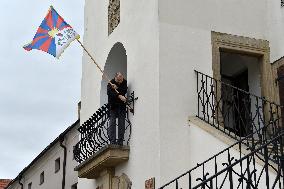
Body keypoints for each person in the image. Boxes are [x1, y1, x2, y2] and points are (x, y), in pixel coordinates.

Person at [107, 72, 127, 145]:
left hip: (121, 106)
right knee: (112, 123)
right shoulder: (111, 83)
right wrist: (118, 95)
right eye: (118, 80)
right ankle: (112, 141)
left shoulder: (124, 82)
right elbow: (110, 93)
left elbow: (124, 90)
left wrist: (117, 88)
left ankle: (120, 141)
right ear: (115, 78)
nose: (120, 82)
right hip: (113, 106)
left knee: (122, 123)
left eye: (121, 80)